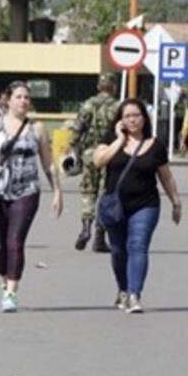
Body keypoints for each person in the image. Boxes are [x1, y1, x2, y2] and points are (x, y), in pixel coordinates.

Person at [0, 81, 63, 313]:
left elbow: (48, 162)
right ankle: (5, 280)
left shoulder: (38, 128)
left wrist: (57, 192)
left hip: (27, 190)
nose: (24, 101)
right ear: (8, 100)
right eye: (19, 97)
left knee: (15, 241)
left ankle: (11, 292)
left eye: (26, 97)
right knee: (1, 245)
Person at [92, 99, 183, 313]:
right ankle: (123, 289)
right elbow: (99, 161)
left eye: (136, 115)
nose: (132, 120)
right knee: (118, 251)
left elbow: (166, 177)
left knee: (138, 246)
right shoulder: (110, 139)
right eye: (127, 116)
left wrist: (176, 202)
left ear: (144, 118)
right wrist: (119, 139)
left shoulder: (155, 145)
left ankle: (134, 294)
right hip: (115, 206)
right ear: (120, 120)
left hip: (146, 205)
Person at [70, 75, 119, 252]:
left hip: (90, 153)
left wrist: (76, 152)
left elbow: (76, 130)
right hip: (110, 153)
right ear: (112, 87)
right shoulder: (118, 107)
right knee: (107, 194)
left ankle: (85, 228)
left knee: (88, 191)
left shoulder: (88, 104)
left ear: (99, 86)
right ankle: (100, 235)